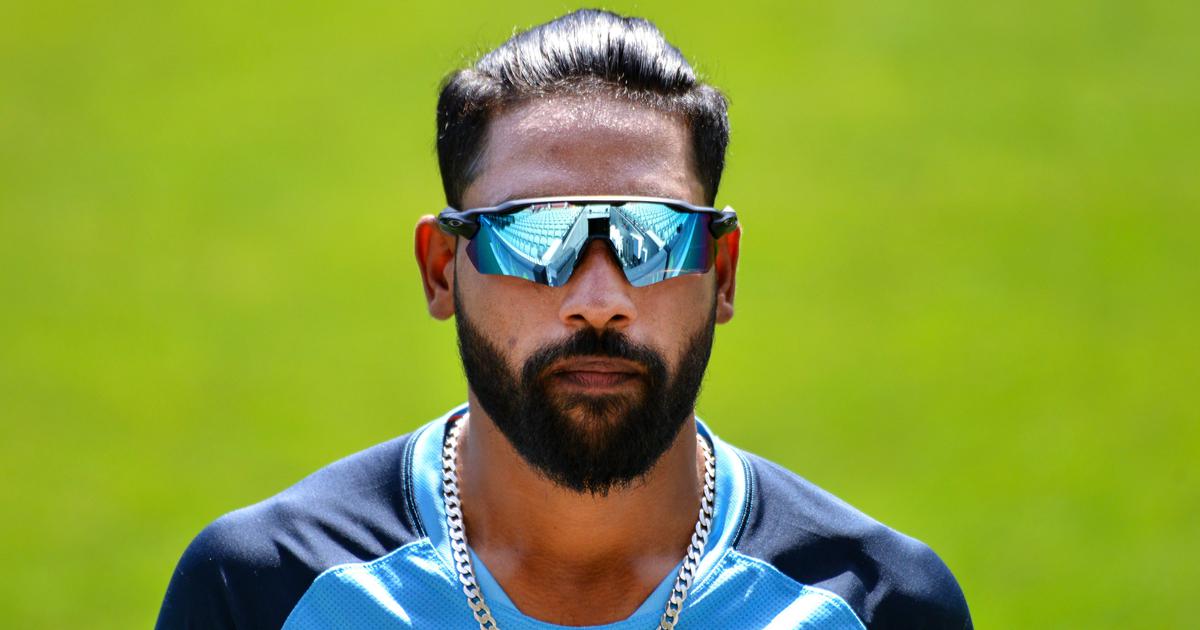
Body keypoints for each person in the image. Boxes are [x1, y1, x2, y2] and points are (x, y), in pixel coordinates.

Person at [156, 9, 972, 629]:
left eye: (654, 237)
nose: (598, 298)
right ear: (443, 269)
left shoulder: (877, 605)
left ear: (721, 273)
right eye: (534, 235)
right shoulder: (264, 593)